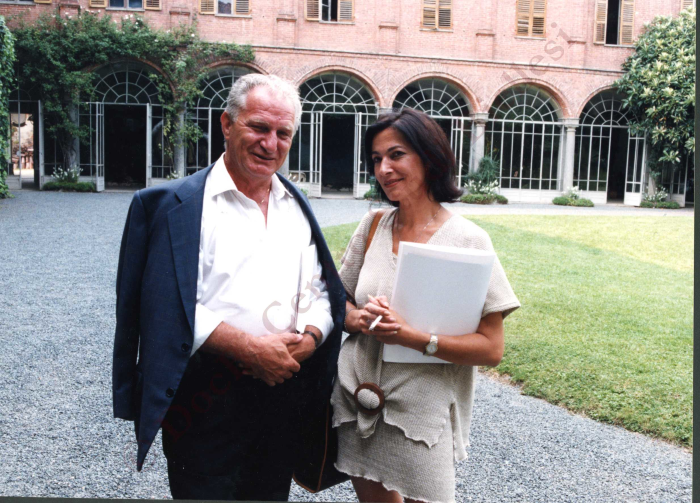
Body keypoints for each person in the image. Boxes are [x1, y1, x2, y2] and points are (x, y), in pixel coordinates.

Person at [112, 73, 345, 501]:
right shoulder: (170, 205)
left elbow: (320, 289)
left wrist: (310, 339)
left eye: (283, 133)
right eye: (259, 127)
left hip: (282, 391)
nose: (270, 143)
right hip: (204, 396)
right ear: (227, 124)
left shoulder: (296, 205)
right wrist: (249, 348)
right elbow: (161, 300)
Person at [330, 108, 521, 503]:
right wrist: (359, 318)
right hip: (356, 398)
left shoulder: (468, 240)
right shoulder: (372, 226)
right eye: (376, 159)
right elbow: (337, 301)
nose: (384, 169)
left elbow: (491, 348)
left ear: (430, 157)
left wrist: (413, 337)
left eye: (396, 155)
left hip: (421, 416)